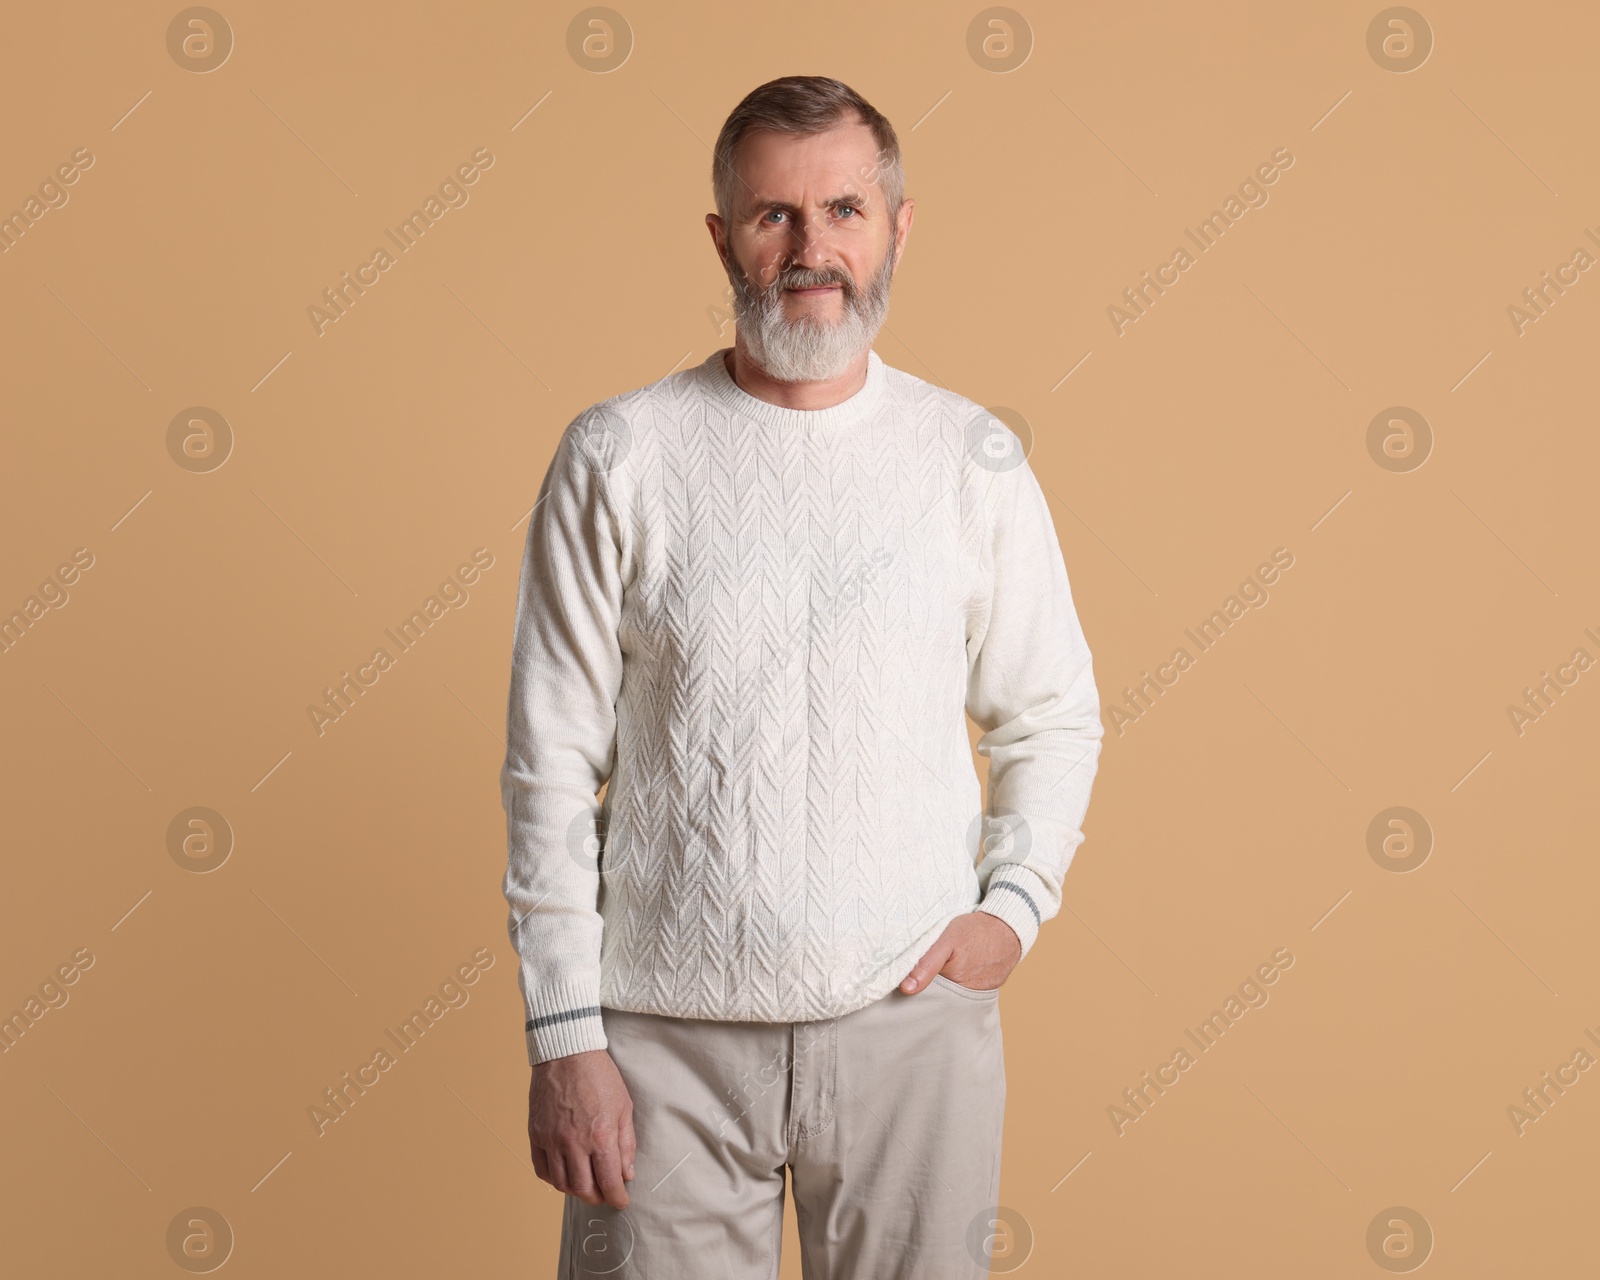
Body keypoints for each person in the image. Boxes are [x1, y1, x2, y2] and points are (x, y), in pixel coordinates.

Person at [500, 73, 1103, 1279]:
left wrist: (1014, 903)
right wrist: (565, 1033)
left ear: (896, 225)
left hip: (907, 1021)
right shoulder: (620, 453)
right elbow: (549, 763)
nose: (810, 249)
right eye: (774, 215)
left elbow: (1050, 709)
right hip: (662, 1033)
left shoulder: (969, 457)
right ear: (724, 237)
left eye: (842, 210)